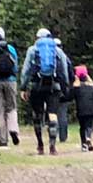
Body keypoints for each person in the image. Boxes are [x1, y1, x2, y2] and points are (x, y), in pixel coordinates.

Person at [20, 27, 63, 155]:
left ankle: (40, 145)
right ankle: (52, 146)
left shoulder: (32, 50)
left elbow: (26, 70)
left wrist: (23, 87)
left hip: (36, 86)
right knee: (53, 114)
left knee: (37, 114)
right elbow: (64, 68)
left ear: (37, 38)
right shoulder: (56, 49)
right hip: (53, 86)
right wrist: (65, 85)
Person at [72, 65, 93, 151]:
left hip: (81, 111)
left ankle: (83, 144)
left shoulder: (77, 88)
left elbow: (69, 96)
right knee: (89, 126)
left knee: (82, 127)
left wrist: (74, 85)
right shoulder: (92, 88)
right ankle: (88, 137)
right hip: (91, 110)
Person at [53, 36, 74, 143]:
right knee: (63, 113)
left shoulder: (49, 57)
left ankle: (53, 135)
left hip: (51, 88)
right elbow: (71, 75)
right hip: (64, 88)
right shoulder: (66, 58)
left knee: (52, 112)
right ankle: (63, 137)